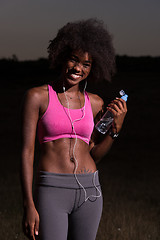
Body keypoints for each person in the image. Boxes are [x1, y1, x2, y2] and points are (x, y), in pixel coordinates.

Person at [21, 18, 127, 240]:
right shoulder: (38, 97)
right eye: (74, 60)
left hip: (90, 190)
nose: (78, 68)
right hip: (51, 189)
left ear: (93, 67)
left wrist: (115, 128)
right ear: (62, 57)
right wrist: (28, 203)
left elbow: (94, 154)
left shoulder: (96, 103)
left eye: (86, 64)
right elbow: (27, 152)